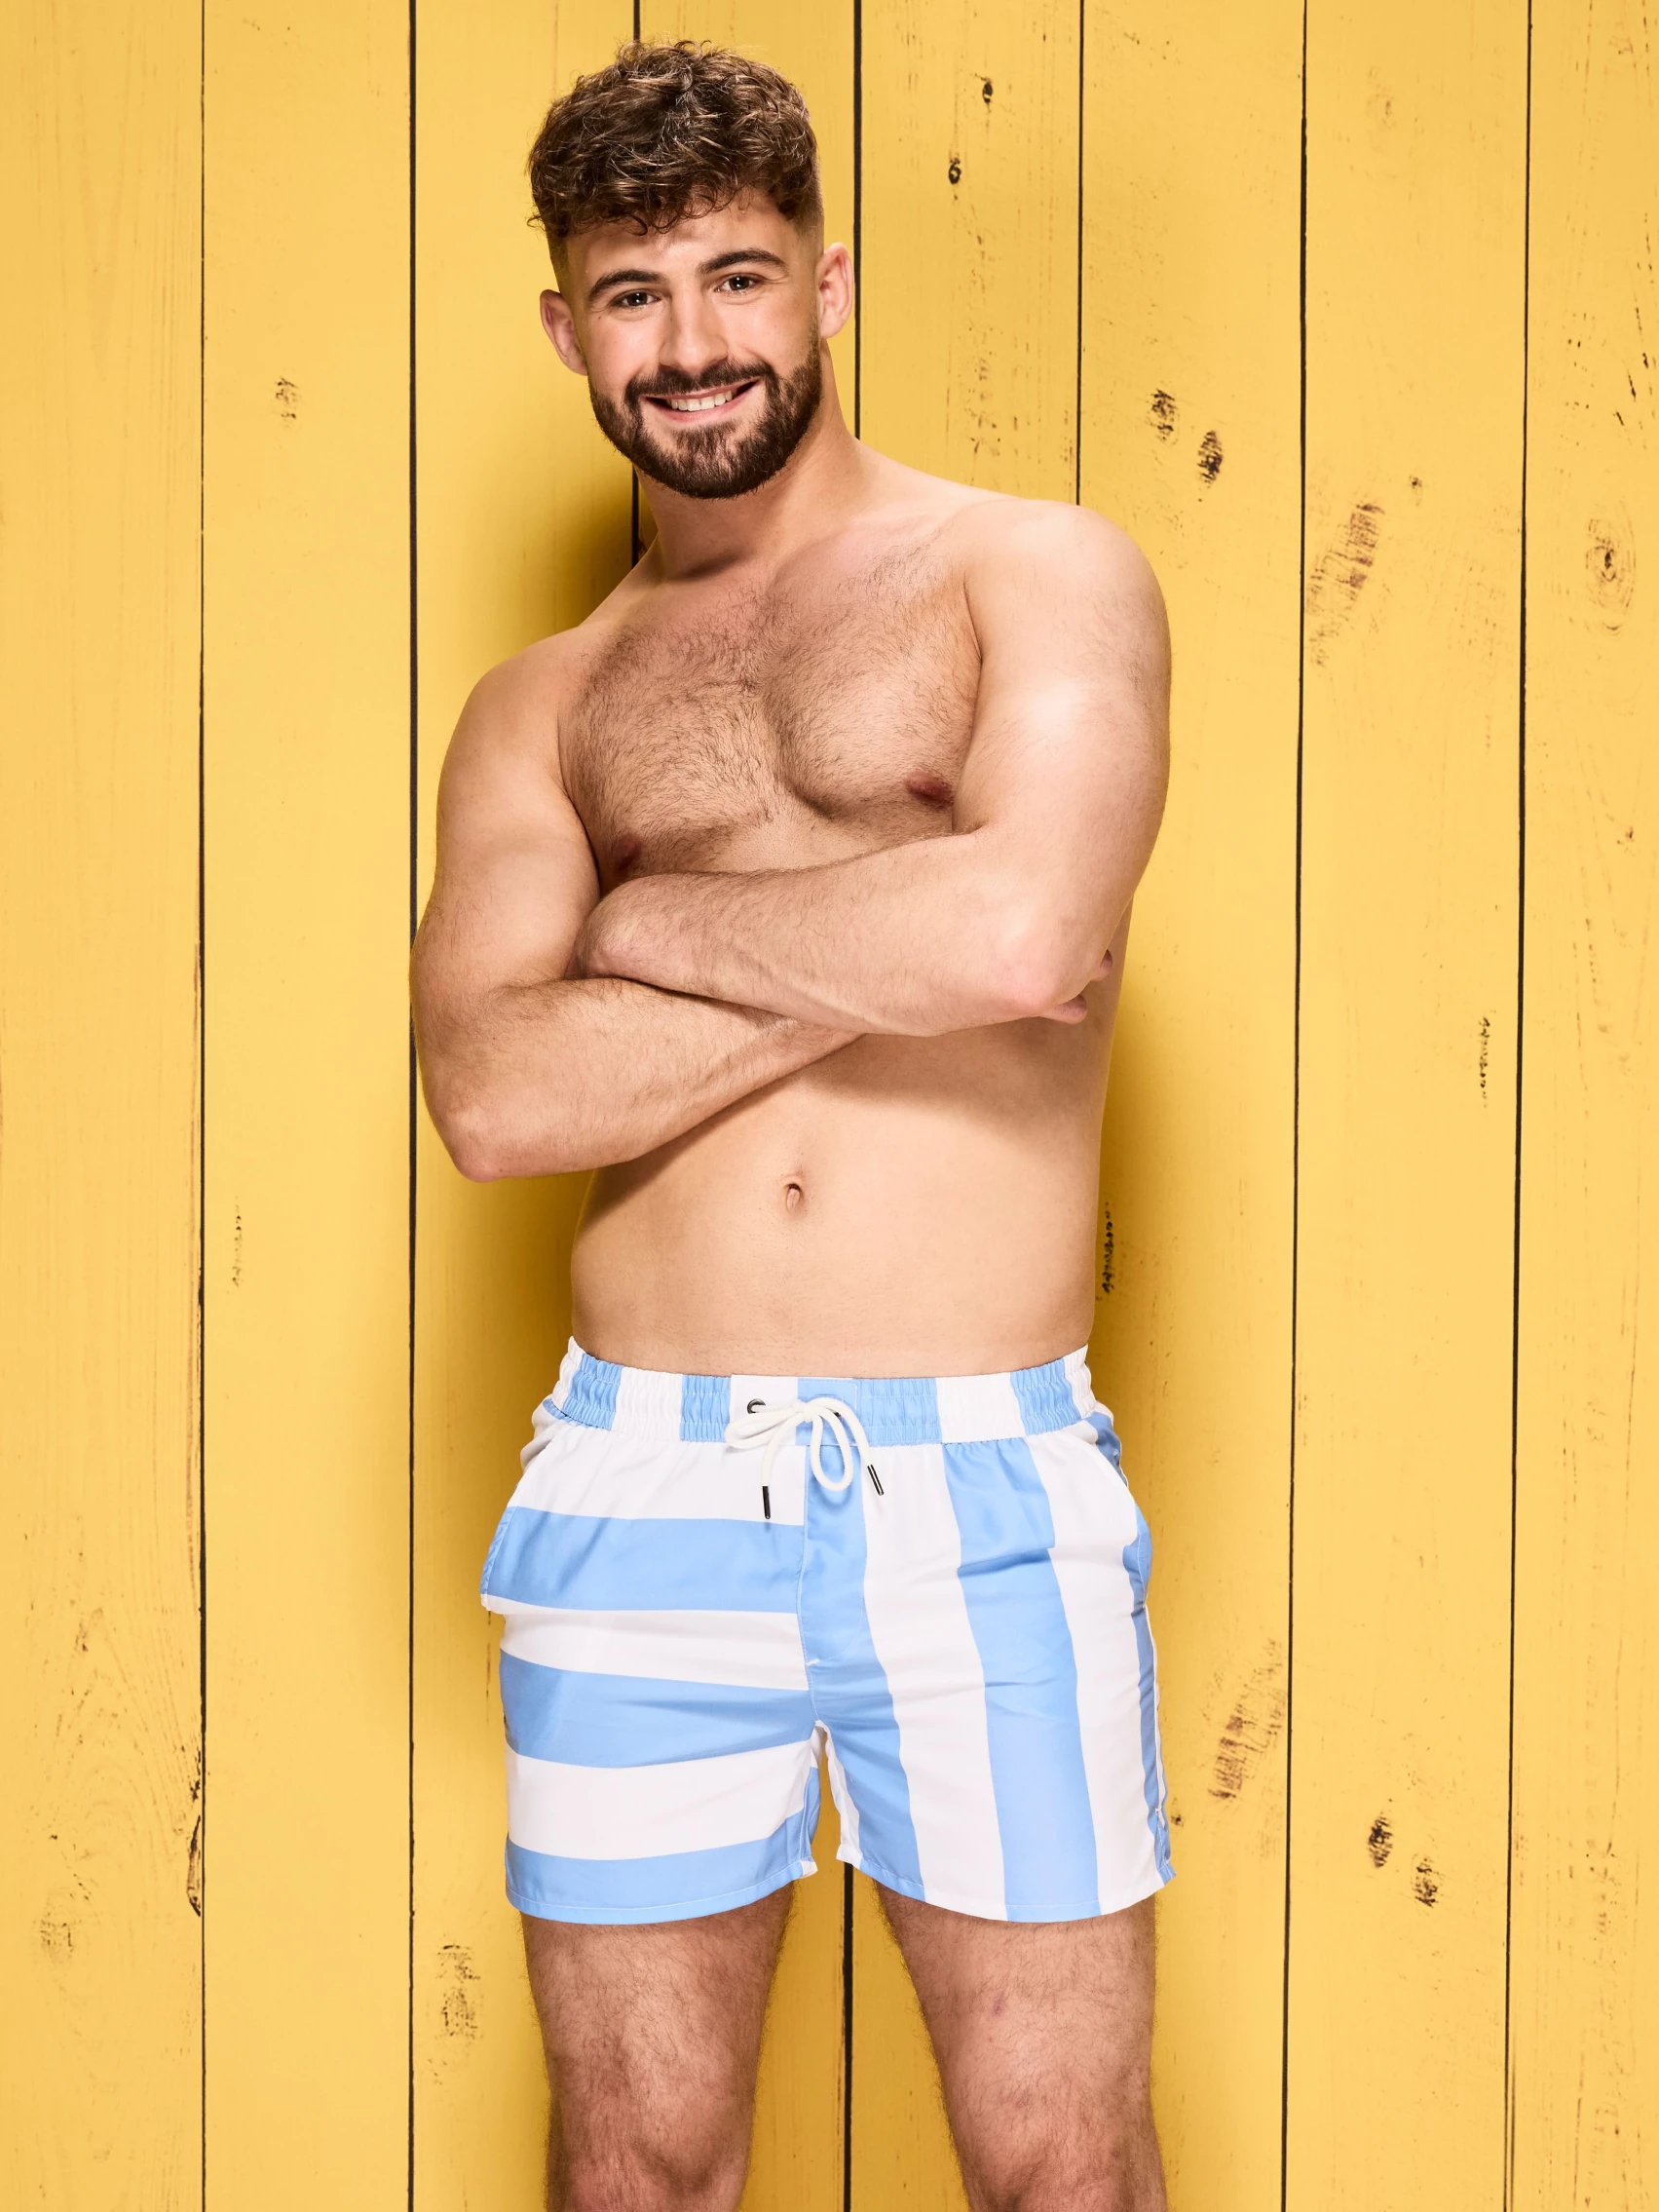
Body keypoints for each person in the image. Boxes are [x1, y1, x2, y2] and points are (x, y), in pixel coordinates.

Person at [412, 39, 1172, 2212]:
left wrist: (650, 926)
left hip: (981, 1490)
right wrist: (888, 937)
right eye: (631, 294)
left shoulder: (1026, 571)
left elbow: (1024, 928)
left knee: (1061, 2164)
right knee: (632, 2168)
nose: (692, 343)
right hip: (637, 1477)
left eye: (738, 276)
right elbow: (492, 1093)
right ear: (565, 326)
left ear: (826, 283)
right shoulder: (544, 702)